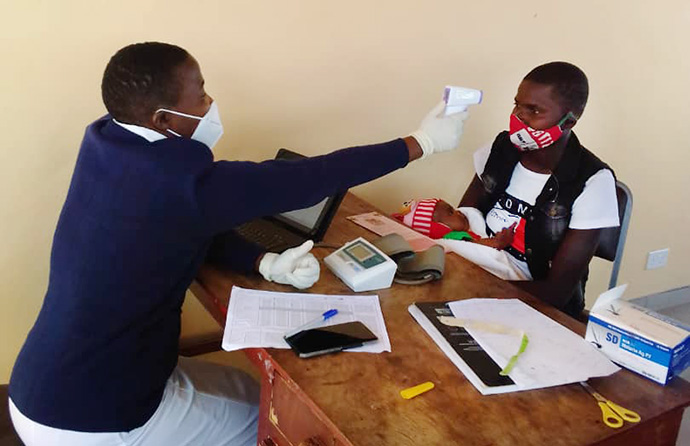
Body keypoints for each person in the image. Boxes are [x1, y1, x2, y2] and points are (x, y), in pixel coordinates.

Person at [8, 42, 469, 446]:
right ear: (164, 119)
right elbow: (310, 178)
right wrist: (421, 142)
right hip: (94, 418)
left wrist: (262, 260)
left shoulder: (108, 145)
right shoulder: (183, 185)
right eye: (202, 95)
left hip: (47, 383)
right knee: (281, 425)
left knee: (257, 391)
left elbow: (176, 225)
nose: (211, 103)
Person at [458, 62, 619, 318]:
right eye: (517, 105)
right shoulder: (499, 149)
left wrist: (474, 289)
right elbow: (462, 220)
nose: (518, 117)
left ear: (570, 121)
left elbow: (557, 293)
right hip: (474, 274)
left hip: (533, 306)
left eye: (533, 110)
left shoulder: (592, 181)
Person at [392, 198, 514, 249]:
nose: (459, 212)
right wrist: (497, 242)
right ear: (439, 228)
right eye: (451, 212)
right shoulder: (452, 237)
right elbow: (474, 245)